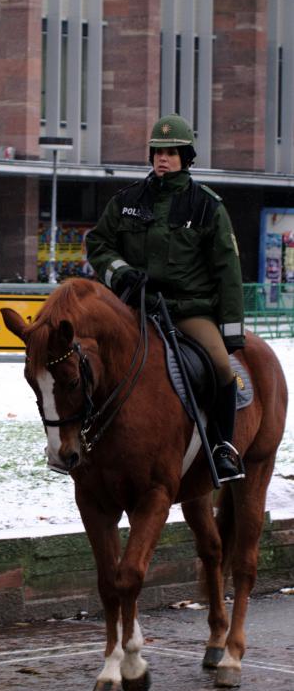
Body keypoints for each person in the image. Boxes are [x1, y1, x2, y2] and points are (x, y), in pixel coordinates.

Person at [85, 112, 245, 483]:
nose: (163, 158)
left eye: (172, 152)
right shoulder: (126, 201)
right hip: (133, 308)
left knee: (223, 368)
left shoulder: (207, 206)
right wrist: (120, 272)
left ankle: (224, 448)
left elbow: (228, 271)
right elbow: (98, 244)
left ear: (186, 157)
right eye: (158, 151)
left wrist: (232, 332)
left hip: (188, 312)